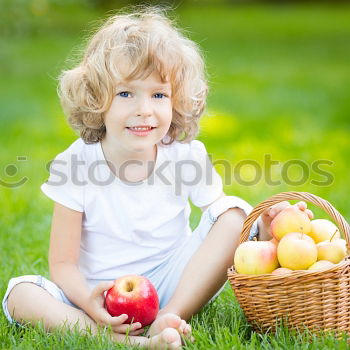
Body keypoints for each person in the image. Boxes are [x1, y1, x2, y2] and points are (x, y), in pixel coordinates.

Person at [2, 6, 313, 349]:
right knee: (20, 292)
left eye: (158, 95)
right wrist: (87, 299)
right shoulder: (75, 164)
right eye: (125, 93)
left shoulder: (184, 156)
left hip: (173, 282)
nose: (144, 109)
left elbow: (226, 231)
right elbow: (62, 264)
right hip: (99, 293)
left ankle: (170, 316)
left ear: (176, 100)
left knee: (234, 211)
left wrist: (266, 230)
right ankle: (113, 339)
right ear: (96, 99)